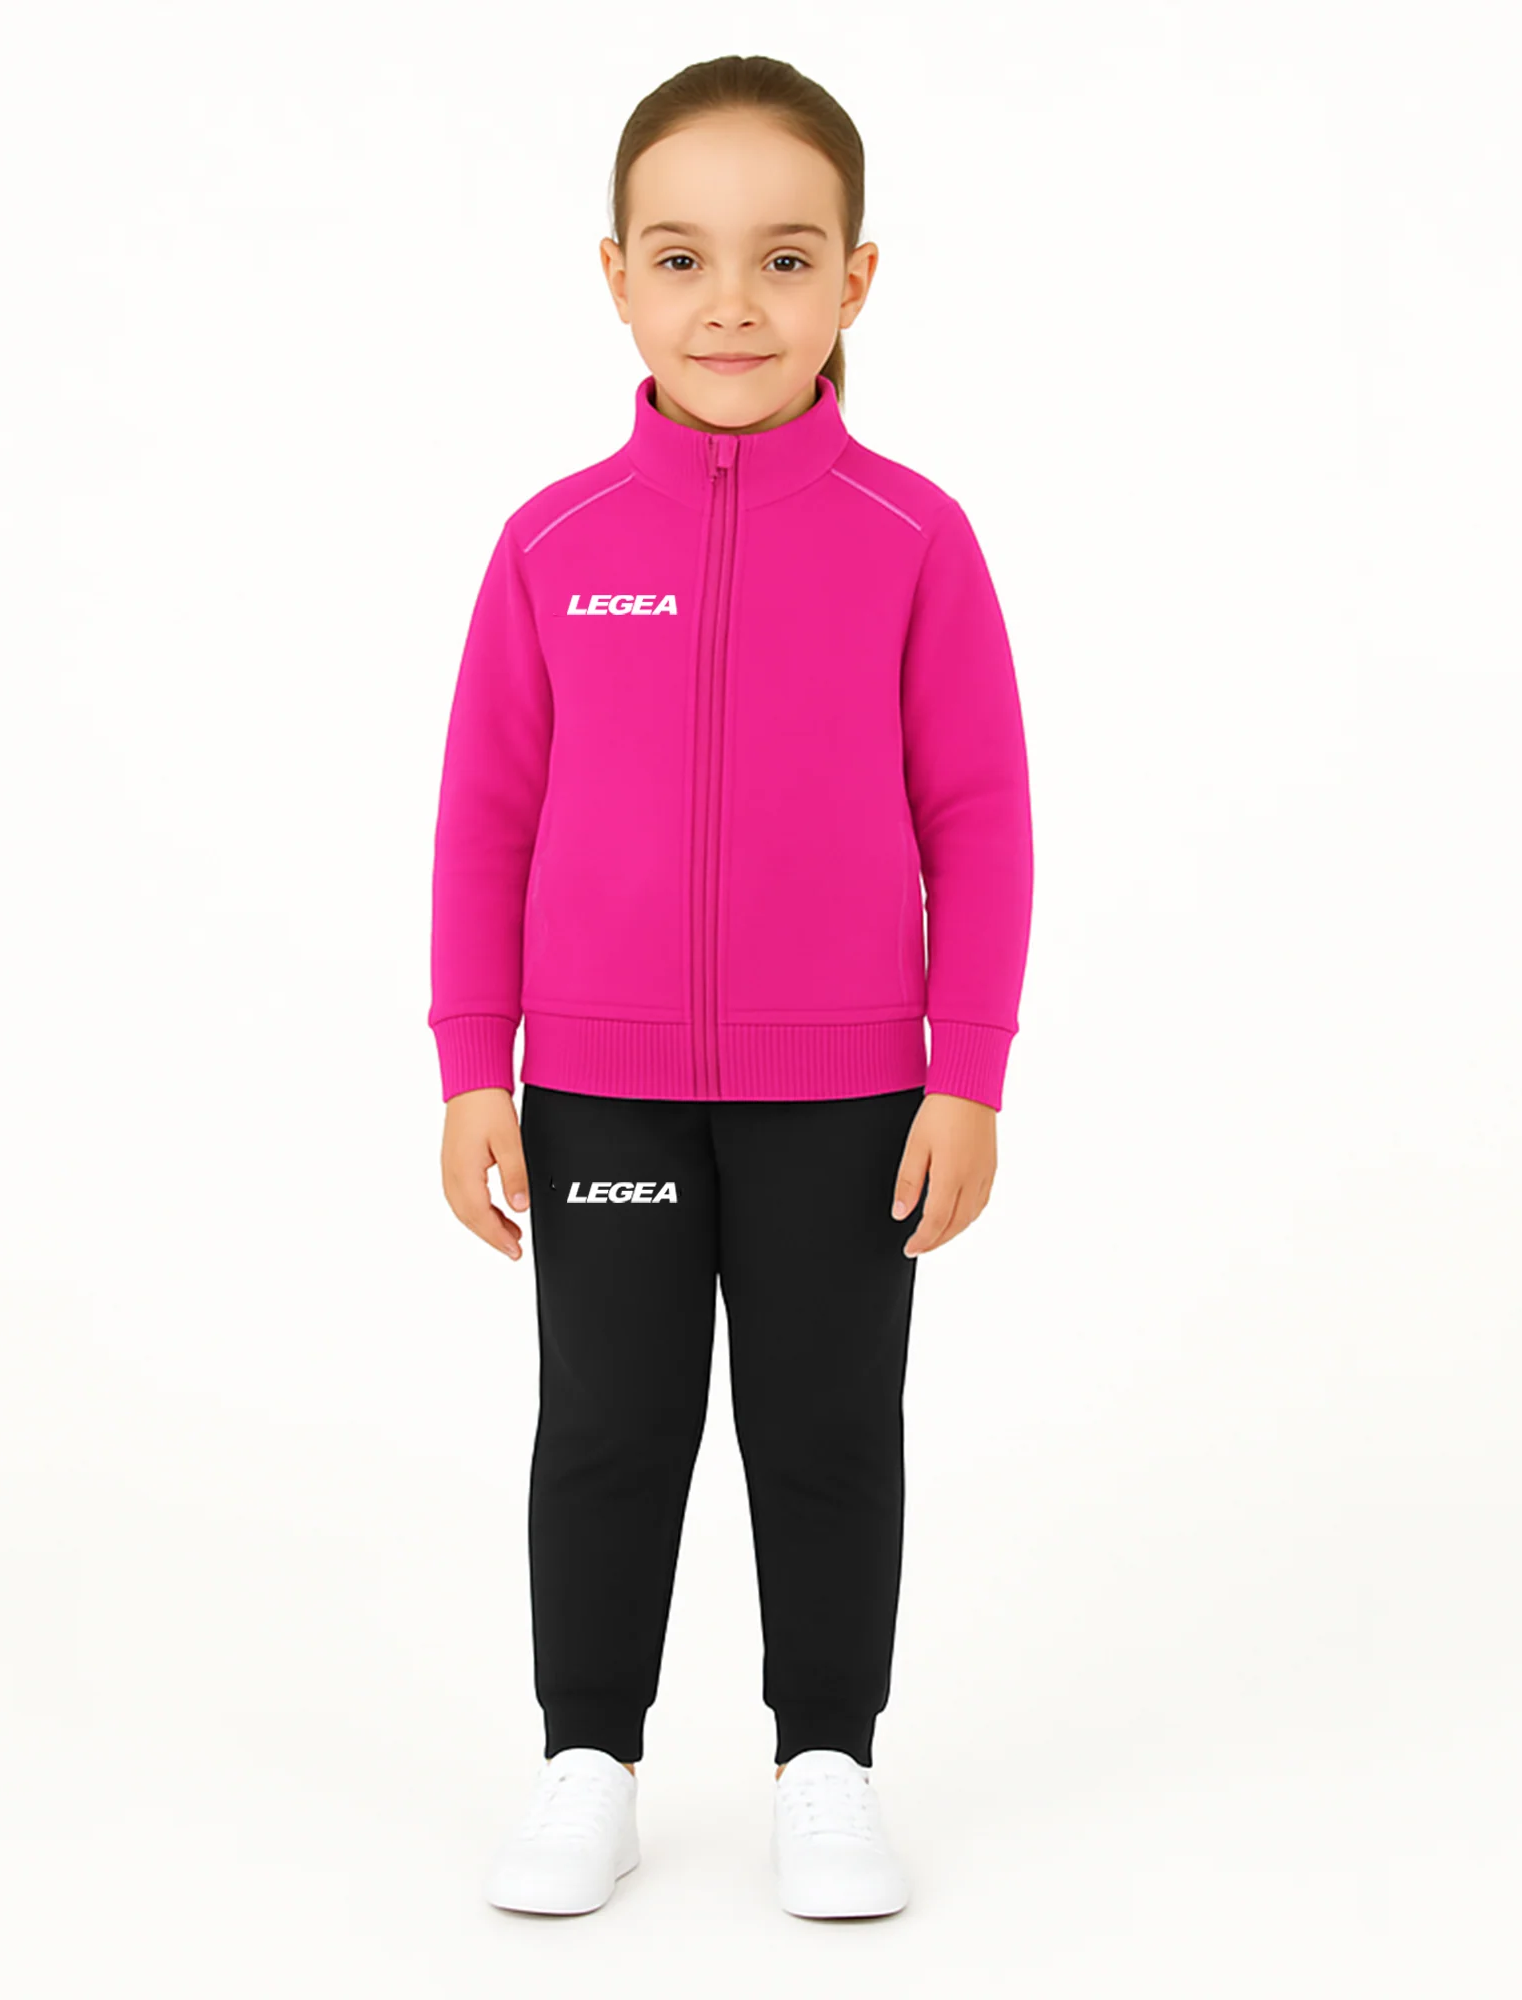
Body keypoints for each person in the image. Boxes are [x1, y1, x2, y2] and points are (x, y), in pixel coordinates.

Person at [428, 54, 1034, 1920]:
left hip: (846, 1093)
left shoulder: (914, 538)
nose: (733, 304)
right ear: (616, 276)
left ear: (856, 279)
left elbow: (979, 812)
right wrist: (472, 1066)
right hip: (600, 1084)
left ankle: (825, 1761)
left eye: (784, 258)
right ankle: (588, 1761)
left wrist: (967, 1071)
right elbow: (485, 816)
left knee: (827, 1430)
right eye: (683, 258)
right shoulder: (553, 544)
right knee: (610, 1426)